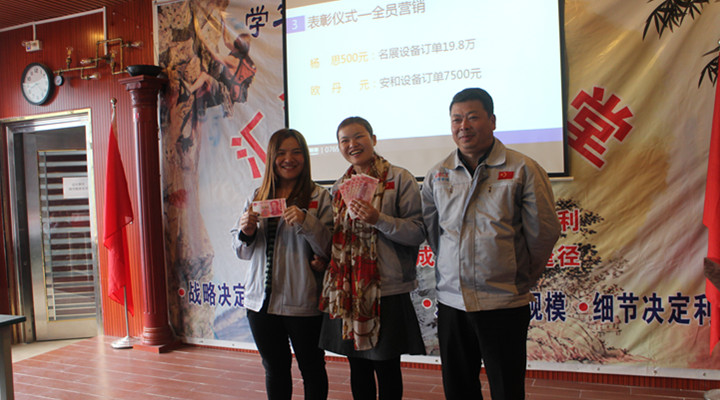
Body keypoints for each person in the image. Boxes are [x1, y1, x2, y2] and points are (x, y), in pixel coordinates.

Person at [421, 88, 561, 400]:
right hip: (453, 301)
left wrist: (521, 275)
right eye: (456, 119)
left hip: (502, 301)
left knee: (506, 387)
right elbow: (433, 231)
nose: (463, 126)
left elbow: (544, 231)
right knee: (458, 387)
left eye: (472, 117)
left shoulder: (523, 169)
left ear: (492, 121)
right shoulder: (438, 174)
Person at [319, 117, 426, 400]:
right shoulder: (339, 187)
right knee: (358, 368)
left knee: (387, 367)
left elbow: (417, 232)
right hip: (348, 291)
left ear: (373, 139)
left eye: (359, 136)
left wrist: (379, 219)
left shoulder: (399, 179)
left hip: (386, 289)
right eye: (344, 140)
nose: (352, 144)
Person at [231, 129, 331, 400]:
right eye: (282, 153)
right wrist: (246, 232)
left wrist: (306, 221)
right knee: (274, 368)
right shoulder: (257, 195)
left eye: (296, 152)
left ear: (305, 157)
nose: (289, 159)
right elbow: (241, 251)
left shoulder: (319, 196)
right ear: (271, 158)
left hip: (302, 302)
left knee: (312, 368)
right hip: (260, 304)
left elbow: (329, 248)